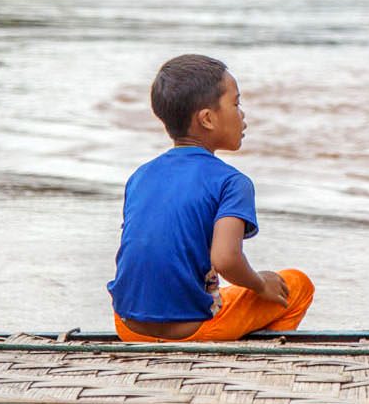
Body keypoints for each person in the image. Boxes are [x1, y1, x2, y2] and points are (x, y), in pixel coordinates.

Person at [108, 54, 314, 341]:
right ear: (207, 119)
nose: (242, 115)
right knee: (296, 285)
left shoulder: (140, 176)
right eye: (236, 104)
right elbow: (226, 259)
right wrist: (259, 284)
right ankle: (255, 354)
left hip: (128, 325)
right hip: (193, 329)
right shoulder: (232, 182)